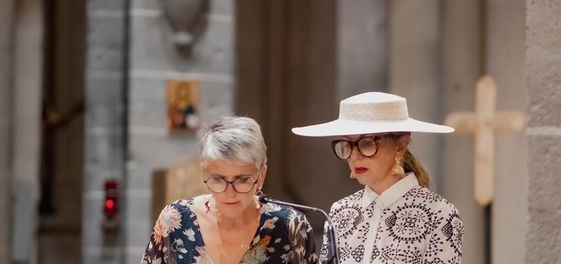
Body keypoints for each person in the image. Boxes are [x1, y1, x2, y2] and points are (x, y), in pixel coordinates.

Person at [292, 92, 463, 264]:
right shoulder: (341, 212)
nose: (355, 156)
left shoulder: (439, 214)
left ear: (401, 145)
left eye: (367, 143)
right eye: (346, 144)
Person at [141, 115, 318, 264]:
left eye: (242, 180)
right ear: (205, 173)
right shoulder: (174, 220)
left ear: (261, 175)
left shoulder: (290, 226)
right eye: (218, 179)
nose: (230, 192)